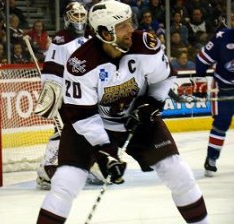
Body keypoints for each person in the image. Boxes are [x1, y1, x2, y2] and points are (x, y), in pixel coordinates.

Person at [35, 1, 209, 224]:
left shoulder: (145, 44)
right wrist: (105, 150)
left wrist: (152, 103)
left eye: (130, 23)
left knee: (179, 173)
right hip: (91, 124)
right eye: (123, 26)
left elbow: (164, 78)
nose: (131, 30)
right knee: (65, 183)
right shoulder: (80, 64)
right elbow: (81, 116)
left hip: (137, 119)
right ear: (105, 33)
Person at [35, 1, 104, 190]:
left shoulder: (91, 36)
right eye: (76, 16)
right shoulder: (61, 39)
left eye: (82, 15)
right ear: (67, 18)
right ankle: (45, 170)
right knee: (64, 131)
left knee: (88, 129)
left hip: (87, 95)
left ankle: (87, 165)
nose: (80, 19)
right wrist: (51, 93)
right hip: (67, 95)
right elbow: (52, 68)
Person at [195, 27, 234, 177]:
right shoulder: (222, 37)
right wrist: (199, 81)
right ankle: (211, 158)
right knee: (221, 123)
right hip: (223, 86)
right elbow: (201, 59)